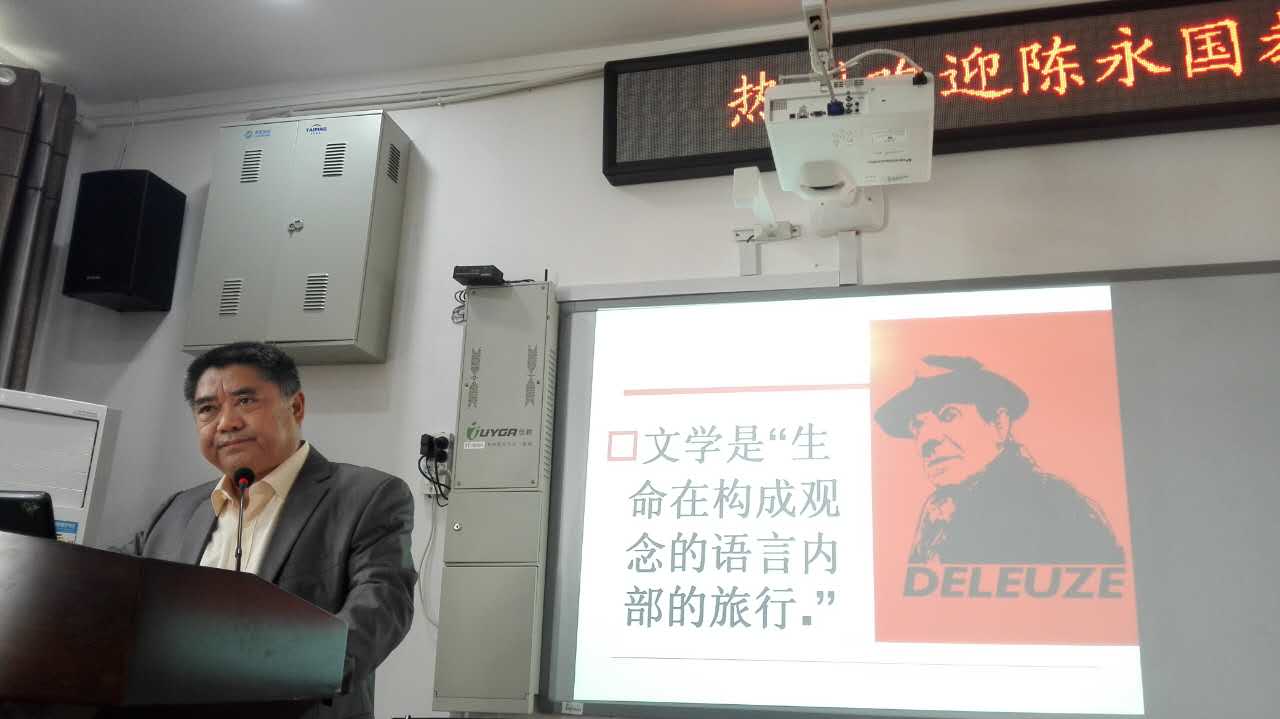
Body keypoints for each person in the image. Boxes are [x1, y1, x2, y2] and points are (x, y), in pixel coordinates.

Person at [118, 341, 415, 718]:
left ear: (296, 407)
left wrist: (287, 671)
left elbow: (382, 604)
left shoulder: (367, 497)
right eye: (208, 409)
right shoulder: (177, 510)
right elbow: (110, 583)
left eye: (245, 401)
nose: (226, 423)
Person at [874, 354, 1124, 565]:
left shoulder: (1060, 505)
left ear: (999, 424)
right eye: (917, 426)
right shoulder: (937, 512)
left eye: (948, 415)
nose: (926, 440)